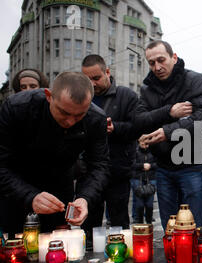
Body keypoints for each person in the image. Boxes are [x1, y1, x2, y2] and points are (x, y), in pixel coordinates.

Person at [0, 72, 109, 234]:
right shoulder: (17, 108)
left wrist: (85, 197)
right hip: (16, 184)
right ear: (49, 96)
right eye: (64, 113)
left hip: (59, 188)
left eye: (79, 115)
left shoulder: (95, 118)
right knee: (15, 246)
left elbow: (99, 165)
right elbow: (2, 164)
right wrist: (29, 196)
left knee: (56, 246)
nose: (70, 121)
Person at [135, 40, 202, 230]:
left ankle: (194, 258)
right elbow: (139, 120)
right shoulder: (147, 89)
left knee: (194, 227)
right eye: (151, 62)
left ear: (174, 57)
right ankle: (172, 259)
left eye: (161, 60)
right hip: (163, 167)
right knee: (170, 227)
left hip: (193, 164)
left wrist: (168, 131)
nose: (157, 67)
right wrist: (168, 112)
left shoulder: (195, 80)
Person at [81, 54, 139, 230]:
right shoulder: (83, 97)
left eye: (96, 78)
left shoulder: (126, 95)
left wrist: (116, 128)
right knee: (89, 222)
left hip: (118, 171)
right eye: (87, 79)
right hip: (89, 171)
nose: (92, 84)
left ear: (107, 72)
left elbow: (138, 128)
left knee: (119, 221)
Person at [130, 139, 157, 224]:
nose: (145, 146)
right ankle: (139, 221)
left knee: (149, 204)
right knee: (139, 204)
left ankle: (149, 222)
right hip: (138, 178)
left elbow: (158, 163)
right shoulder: (135, 151)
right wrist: (142, 166)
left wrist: (150, 166)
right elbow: (131, 164)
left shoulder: (153, 151)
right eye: (143, 144)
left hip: (151, 178)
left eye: (147, 144)